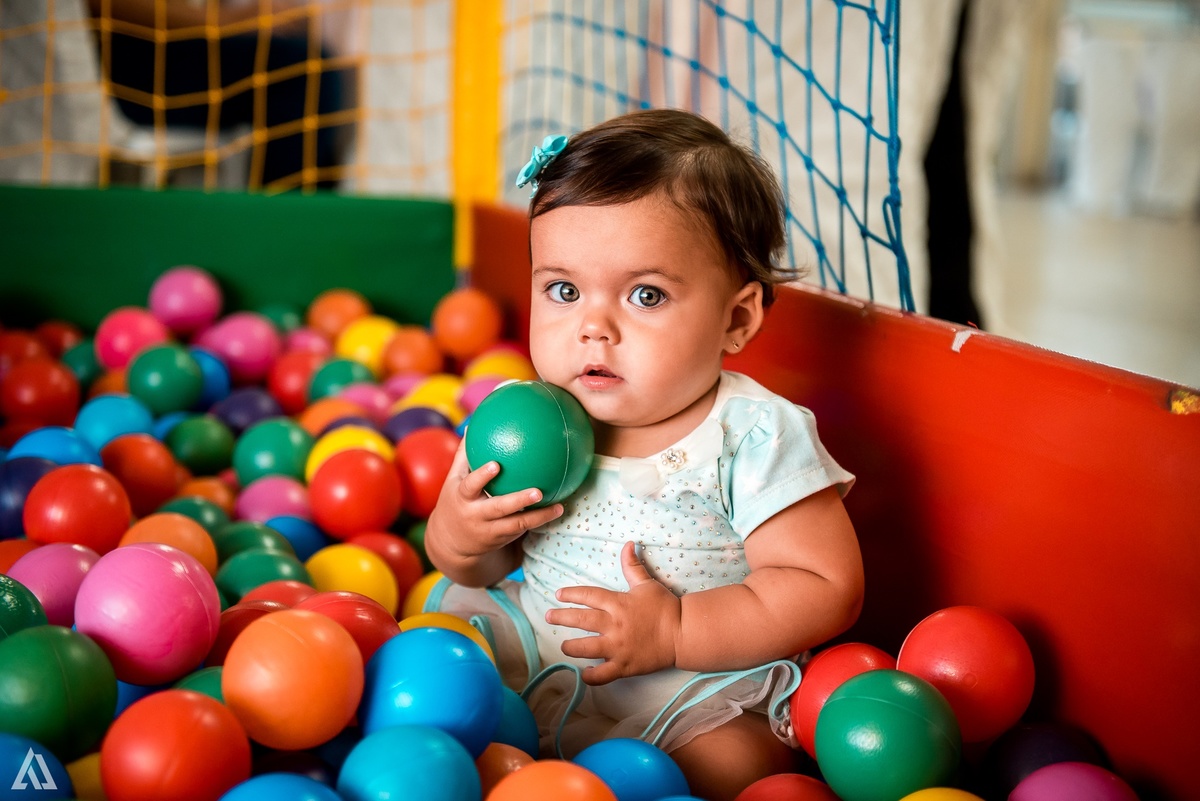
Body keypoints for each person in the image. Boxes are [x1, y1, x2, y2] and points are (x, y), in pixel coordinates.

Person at [425, 108, 864, 800]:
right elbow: (483, 561)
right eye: (563, 290)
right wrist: (458, 534)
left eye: (646, 294)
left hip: (684, 689)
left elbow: (825, 584)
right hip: (535, 655)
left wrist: (678, 630)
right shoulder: (525, 417)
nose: (593, 327)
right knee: (432, 681)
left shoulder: (750, 434)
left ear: (736, 318)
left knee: (737, 766)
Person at [88, 0, 348, 190]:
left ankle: (300, 226)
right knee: (304, 73)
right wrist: (223, 21)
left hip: (184, 46)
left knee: (310, 69)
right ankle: (283, 231)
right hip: (128, 67)